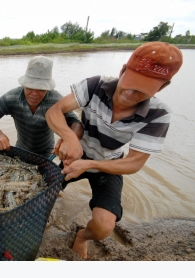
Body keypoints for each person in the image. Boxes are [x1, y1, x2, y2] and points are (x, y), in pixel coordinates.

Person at [45, 42, 183, 259]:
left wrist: (91, 164)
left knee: (103, 227)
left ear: (163, 87)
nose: (130, 92)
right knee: (39, 192)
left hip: (108, 166)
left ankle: (82, 236)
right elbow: (55, 111)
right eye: (131, 82)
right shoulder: (96, 85)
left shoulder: (159, 114)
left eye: (142, 89)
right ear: (123, 70)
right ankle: (54, 197)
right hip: (75, 157)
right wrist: (69, 137)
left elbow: (134, 162)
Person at [0, 55, 83, 158]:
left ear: (48, 88)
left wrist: (69, 140)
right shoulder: (13, 97)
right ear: (24, 84)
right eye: (30, 87)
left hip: (47, 152)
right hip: (21, 149)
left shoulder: (55, 100)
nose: (34, 94)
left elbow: (76, 123)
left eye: (41, 89)